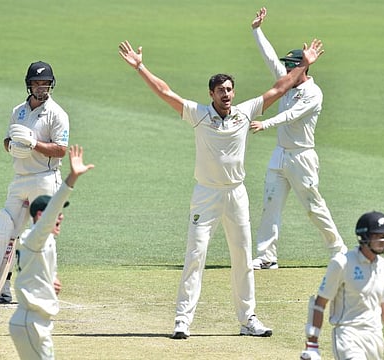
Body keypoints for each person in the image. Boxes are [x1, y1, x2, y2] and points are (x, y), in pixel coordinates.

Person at [118, 37, 323, 339]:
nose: (226, 94)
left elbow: (279, 88)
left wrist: (305, 64)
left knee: (242, 257)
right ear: (211, 94)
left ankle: (248, 319)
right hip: (206, 194)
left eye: (229, 89)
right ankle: (182, 321)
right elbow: (165, 92)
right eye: (220, 90)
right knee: (195, 255)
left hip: (236, 194)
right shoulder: (199, 114)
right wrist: (141, 68)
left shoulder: (244, 113)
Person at [249, 8, 347, 270]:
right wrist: (257, 30)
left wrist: (264, 122)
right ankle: (266, 256)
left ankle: (339, 249)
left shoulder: (313, 93)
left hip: (302, 157)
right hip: (280, 153)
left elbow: (292, 115)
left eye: (291, 67)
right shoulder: (287, 83)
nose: (286, 72)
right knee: (270, 204)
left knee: (314, 207)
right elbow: (270, 59)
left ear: (300, 69)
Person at [8, 145, 94, 360]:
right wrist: (72, 178)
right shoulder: (35, 237)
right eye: (57, 213)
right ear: (40, 215)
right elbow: (53, 208)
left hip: (36, 323)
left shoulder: (42, 241)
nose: (61, 217)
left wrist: (48, 281)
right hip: (31, 323)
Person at [300, 211, 384, 360]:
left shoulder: (382, 266)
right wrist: (312, 344)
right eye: (378, 236)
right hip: (347, 335)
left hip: (375, 337)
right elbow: (319, 303)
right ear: (364, 238)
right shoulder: (342, 263)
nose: (383, 240)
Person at [0, 61, 70, 303]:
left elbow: (61, 150)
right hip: (20, 178)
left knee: (44, 233)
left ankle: (48, 287)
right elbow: (8, 141)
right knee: (5, 230)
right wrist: (13, 147)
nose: (41, 87)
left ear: (51, 84)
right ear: (29, 85)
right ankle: (3, 287)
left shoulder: (57, 114)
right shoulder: (18, 111)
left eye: (45, 83)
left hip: (45, 178)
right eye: (37, 83)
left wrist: (34, 144)